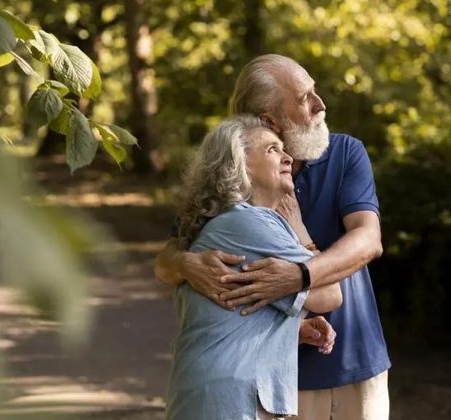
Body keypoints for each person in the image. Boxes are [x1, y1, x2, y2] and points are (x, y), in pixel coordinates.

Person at [155, 54, 391, 420]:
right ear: (270, 120)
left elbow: (368, 240)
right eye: (304, 97)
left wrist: (299, 276)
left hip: (354, 361)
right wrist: (186, 263)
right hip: (273, 378)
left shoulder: (344, 153)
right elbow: (167, 260)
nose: (320, 104)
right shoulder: (232, 179)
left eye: (315, 91)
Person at [166, 115, 342, 420]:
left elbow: (227, 317)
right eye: (273, 149)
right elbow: (329, 293)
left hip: (213, 395)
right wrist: (299, 227)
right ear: (241, 163)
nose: (288, 157)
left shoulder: (224, 224)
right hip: (232, 401)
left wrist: (291, 330)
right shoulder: (249, 222)